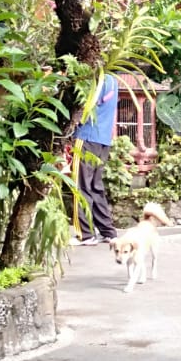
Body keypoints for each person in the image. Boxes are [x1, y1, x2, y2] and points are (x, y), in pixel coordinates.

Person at [70, 73, 119, 245]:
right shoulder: (112, 81)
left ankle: (85, 234)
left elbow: (84, 106)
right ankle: (108, 231)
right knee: (96, 186)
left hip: (86, 136)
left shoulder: (93, 80)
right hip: (103, 139)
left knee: (80, 186)